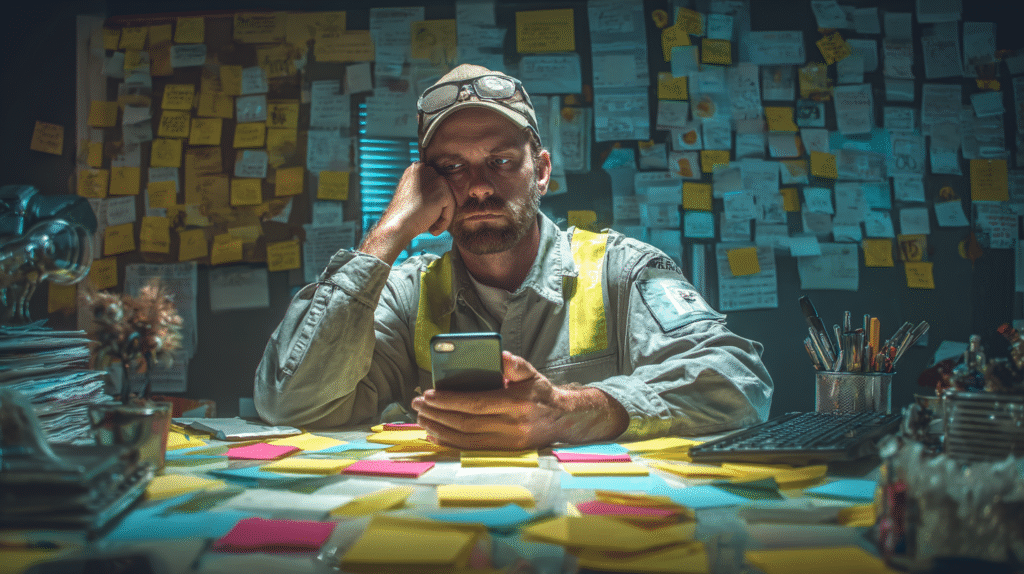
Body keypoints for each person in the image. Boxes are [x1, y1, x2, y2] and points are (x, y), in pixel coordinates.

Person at [254, 64, 773, 450]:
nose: (478, 187)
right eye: (452, 167)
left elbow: (736, 380)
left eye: (501, 161)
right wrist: (388, 234)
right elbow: (291, 402)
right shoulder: (406, 292)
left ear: (542, 171)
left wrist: (572, 411)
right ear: (427, 185)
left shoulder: (623, 269)